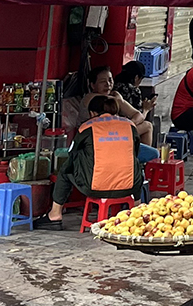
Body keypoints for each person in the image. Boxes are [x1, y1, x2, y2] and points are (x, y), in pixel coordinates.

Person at [47, 96, 143, 225]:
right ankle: (137, 208)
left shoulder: (87, 127)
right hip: (129, 187)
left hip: (94, 187)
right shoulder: (129, 125)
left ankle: (55, 214)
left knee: (66, 168)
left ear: (92, 113)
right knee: (134, 164)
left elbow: (72, 153)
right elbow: (136, 151)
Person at [63, 68, 157, 162]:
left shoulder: (115, 96)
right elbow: (110, 101)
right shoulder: (90, 98)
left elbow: (138, 115)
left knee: (147, 126)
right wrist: (119, 101)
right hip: (95, 140)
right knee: (154, 152)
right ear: (92, 85)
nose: (108, 84)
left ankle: (139, 165)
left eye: (110, 80)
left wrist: (127, 126)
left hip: (115, 135)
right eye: (102, 82)